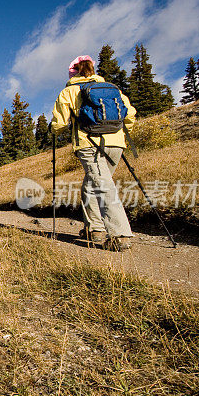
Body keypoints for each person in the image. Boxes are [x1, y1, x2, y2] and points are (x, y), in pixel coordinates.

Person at [50, 55, 136, 251]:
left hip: (89, 144)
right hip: (116, 143)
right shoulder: (112, 89)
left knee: (103, 185)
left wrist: (53, 129)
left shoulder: (69, 92)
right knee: (91, 185)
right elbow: (129, 114)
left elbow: (61, 124)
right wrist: (122, 131)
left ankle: (120, 235)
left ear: (73, 73)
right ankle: (95, 230)